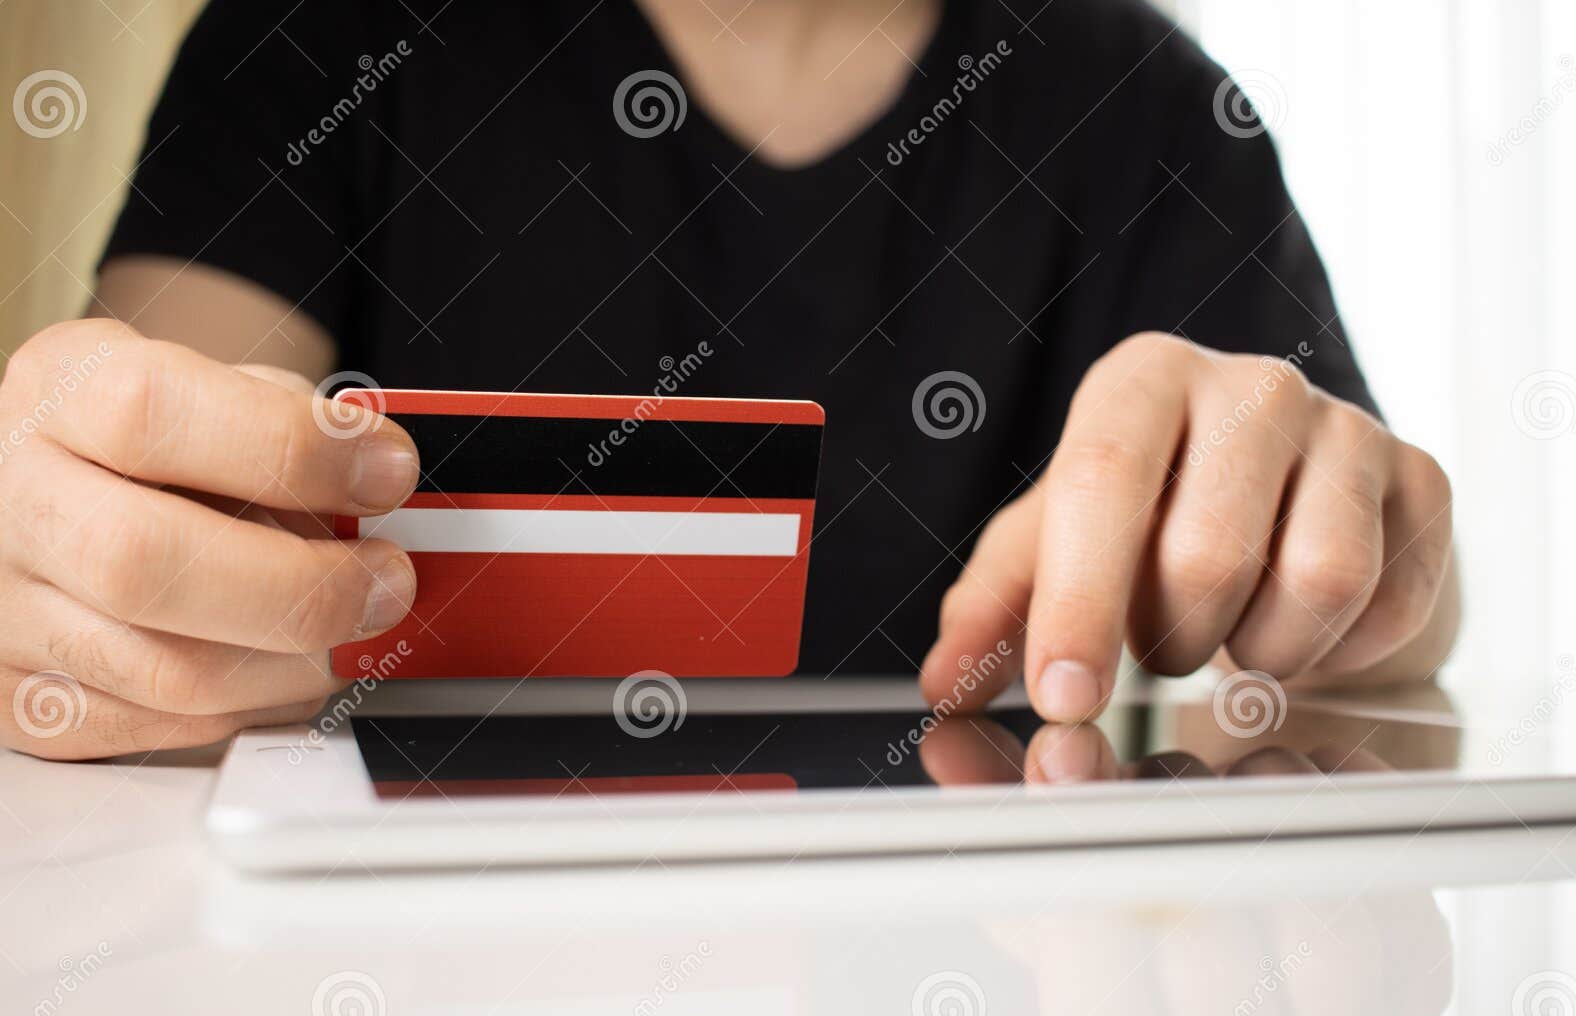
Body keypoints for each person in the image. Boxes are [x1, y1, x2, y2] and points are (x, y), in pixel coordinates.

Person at [0, 0, 1456, 759]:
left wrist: (1366, 566)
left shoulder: (1144, 102)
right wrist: (78, 543)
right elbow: (142, 477)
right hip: (396, 988)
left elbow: (1389, 622)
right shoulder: (320, 36)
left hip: (975, 1013)